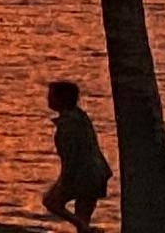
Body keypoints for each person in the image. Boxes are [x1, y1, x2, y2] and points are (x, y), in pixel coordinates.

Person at [41, 80, 112, 229]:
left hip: (85, 174)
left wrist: (65, 179)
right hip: (97, 172)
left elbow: (70, 157)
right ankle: (84, 227)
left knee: (51, 201)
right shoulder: (80, 116)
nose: (48, 99)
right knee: (83, 214)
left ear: (62, 99)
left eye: (51, 96)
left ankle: (86, 229)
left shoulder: (67, 125)